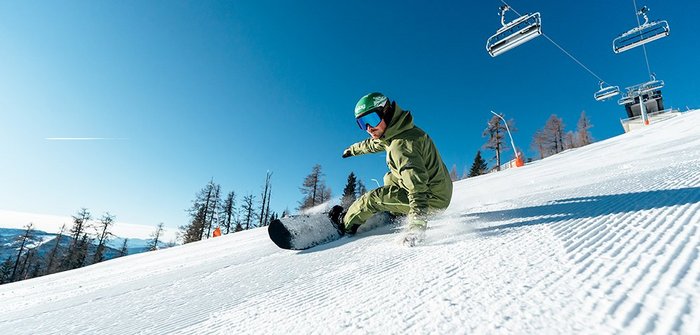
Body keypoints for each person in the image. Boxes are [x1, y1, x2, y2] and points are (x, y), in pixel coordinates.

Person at [329, 92, 453, 245]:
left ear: (386, 112)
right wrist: (352, 149)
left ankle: (345, 223)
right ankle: (395, 212)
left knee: (372, 199)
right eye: (362, 123)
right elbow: (372, 144)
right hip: (440, 188)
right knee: (390, 177)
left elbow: (417, 189)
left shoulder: (401, 146)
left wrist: (416, 227)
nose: (369, 128)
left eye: (372, 119)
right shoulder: (398, 130)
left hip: (431, 200)